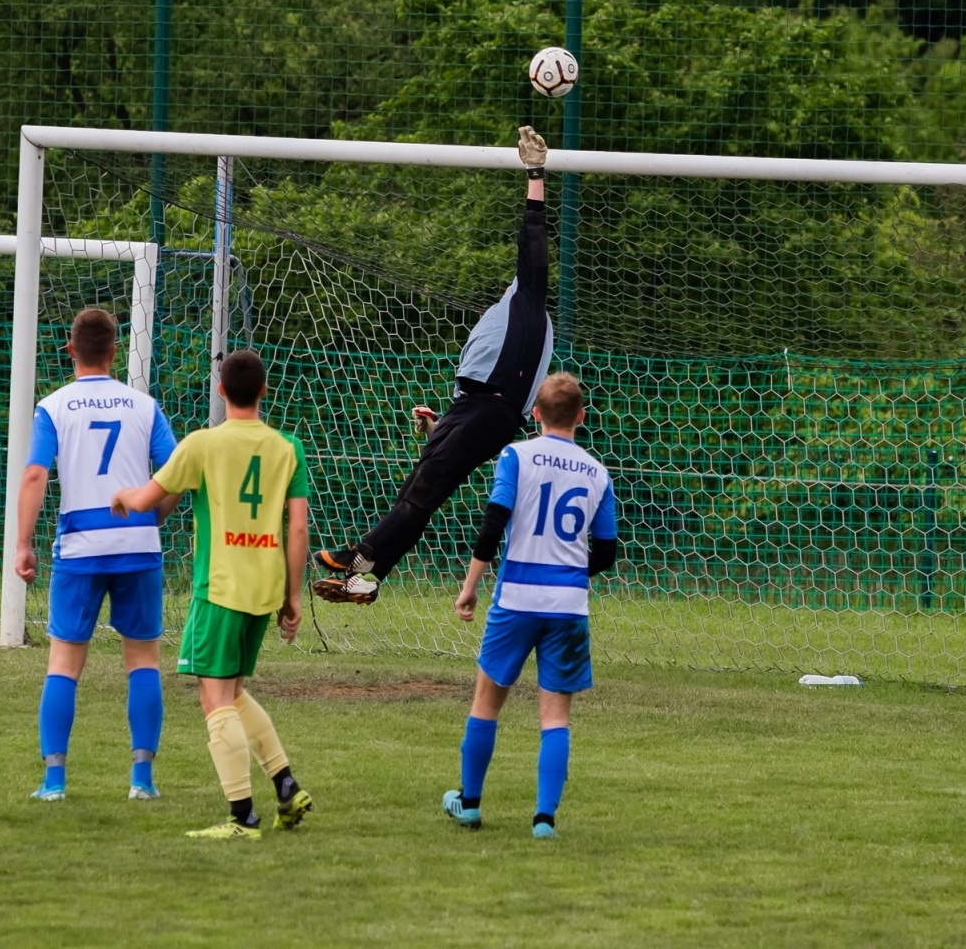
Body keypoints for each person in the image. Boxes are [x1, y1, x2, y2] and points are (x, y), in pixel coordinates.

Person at [313, 126, 556, 605]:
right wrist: (441, 426)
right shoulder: (519, 310)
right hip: (476, 413)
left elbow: (533, 239)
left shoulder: (530, 299)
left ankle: (358, 556)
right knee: (418, 496)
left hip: (488, 413)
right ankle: (366, 577)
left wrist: (534, 173)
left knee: (421, 495)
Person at [111, 349, 313, 840]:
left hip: (220, 587)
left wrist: (121, 498)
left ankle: (242, 816)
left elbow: (144, 499)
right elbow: (299, 527)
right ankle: (286, 784)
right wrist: (292, 595)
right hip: (264, 587)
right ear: (264, 391)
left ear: (221, 391)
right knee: (235, 690)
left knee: (215, 697)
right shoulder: (288, 447)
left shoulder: (203, 444)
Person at [442, 373, 617, 838]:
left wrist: (469, 586)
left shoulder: (516, 455)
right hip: (567, 603)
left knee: (487, 700)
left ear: (535, 414)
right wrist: (569, 574)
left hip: (517, 595)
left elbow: (494, 522)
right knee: (555, 715)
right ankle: (543, 820)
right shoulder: (598, 473)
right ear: (581, 416)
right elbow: (606, 553)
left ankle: (471, 803)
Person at [16, 307, 179, 802]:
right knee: (143, 660)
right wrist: (154, 516)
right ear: (114, 352)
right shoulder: (144, 406)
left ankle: (54, 782)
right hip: (136, 544)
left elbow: (34, 475)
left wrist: (23, 543)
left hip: (80, 547)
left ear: (70, 350)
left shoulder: (53, 406)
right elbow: (177, 471)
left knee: (64, 663)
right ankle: (142, 781)